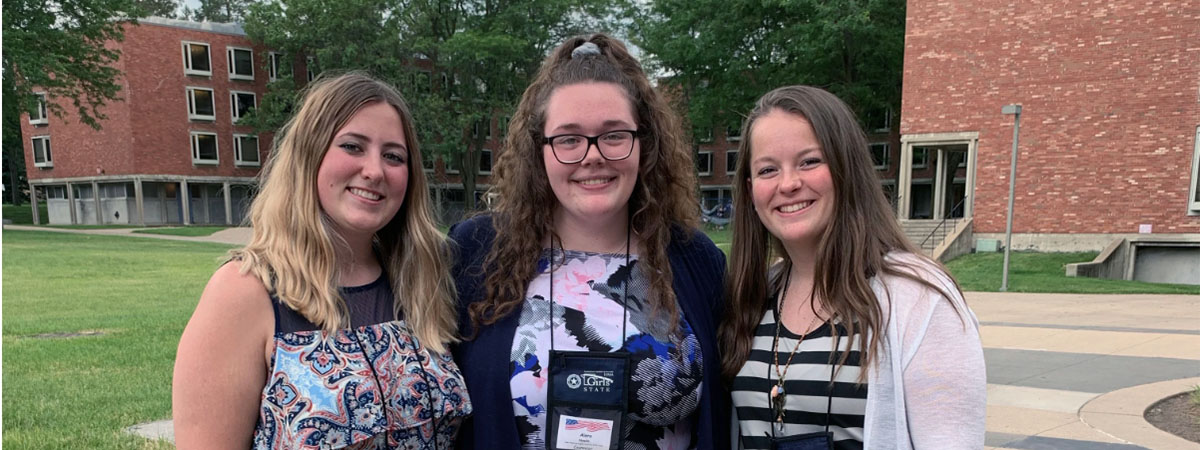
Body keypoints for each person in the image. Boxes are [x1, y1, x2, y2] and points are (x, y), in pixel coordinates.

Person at [449, 34, 729, 450]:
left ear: (644, 143)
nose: (592, 155)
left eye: (614, 135)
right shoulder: (476, 252)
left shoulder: (695, 259)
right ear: (539, 150)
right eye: (569, 139)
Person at [172, 73, 471, 449]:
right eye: (352, 146)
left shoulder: (422, 284)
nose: (375, 171)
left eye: (393, 156)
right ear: (309, 154)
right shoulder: (245, 292)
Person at [721, 86, 986, 449]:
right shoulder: (752, 296)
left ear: (846, 168)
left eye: (809, 161)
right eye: (769, 169)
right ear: (751, 190)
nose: (788, 183)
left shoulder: (920, 298)